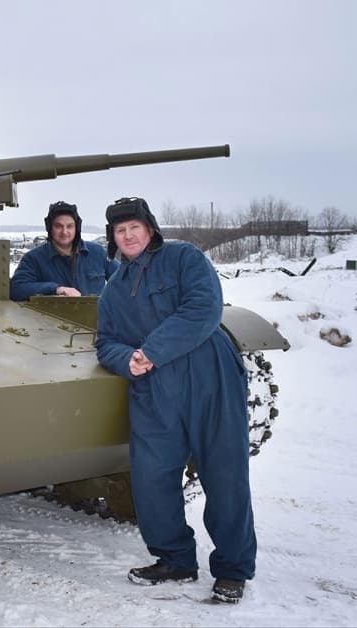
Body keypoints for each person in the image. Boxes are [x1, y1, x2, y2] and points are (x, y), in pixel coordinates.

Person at [94, 197, 255, 604]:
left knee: (224, 473)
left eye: (134, 227)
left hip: (209, 374)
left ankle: (232, 569)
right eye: (119, 230)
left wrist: (152, 350)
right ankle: (175, 559)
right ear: (113, 238)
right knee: (152, 477)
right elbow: (105, 341)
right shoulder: (112, 289)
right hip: (153, 386)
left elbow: (204, 308)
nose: (128, 235)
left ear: (149, 229)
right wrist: (126, 359)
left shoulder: (184, 258)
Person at [9, 201, 118, 301]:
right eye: (58, 226)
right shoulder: (34, 258)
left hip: (96, 319)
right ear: (50, 228)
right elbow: (16, 289)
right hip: (50, 319)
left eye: (69, 226)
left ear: (77, 228)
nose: (64, 232)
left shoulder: (98, 253)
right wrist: (56, 289)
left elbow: (124, 281)